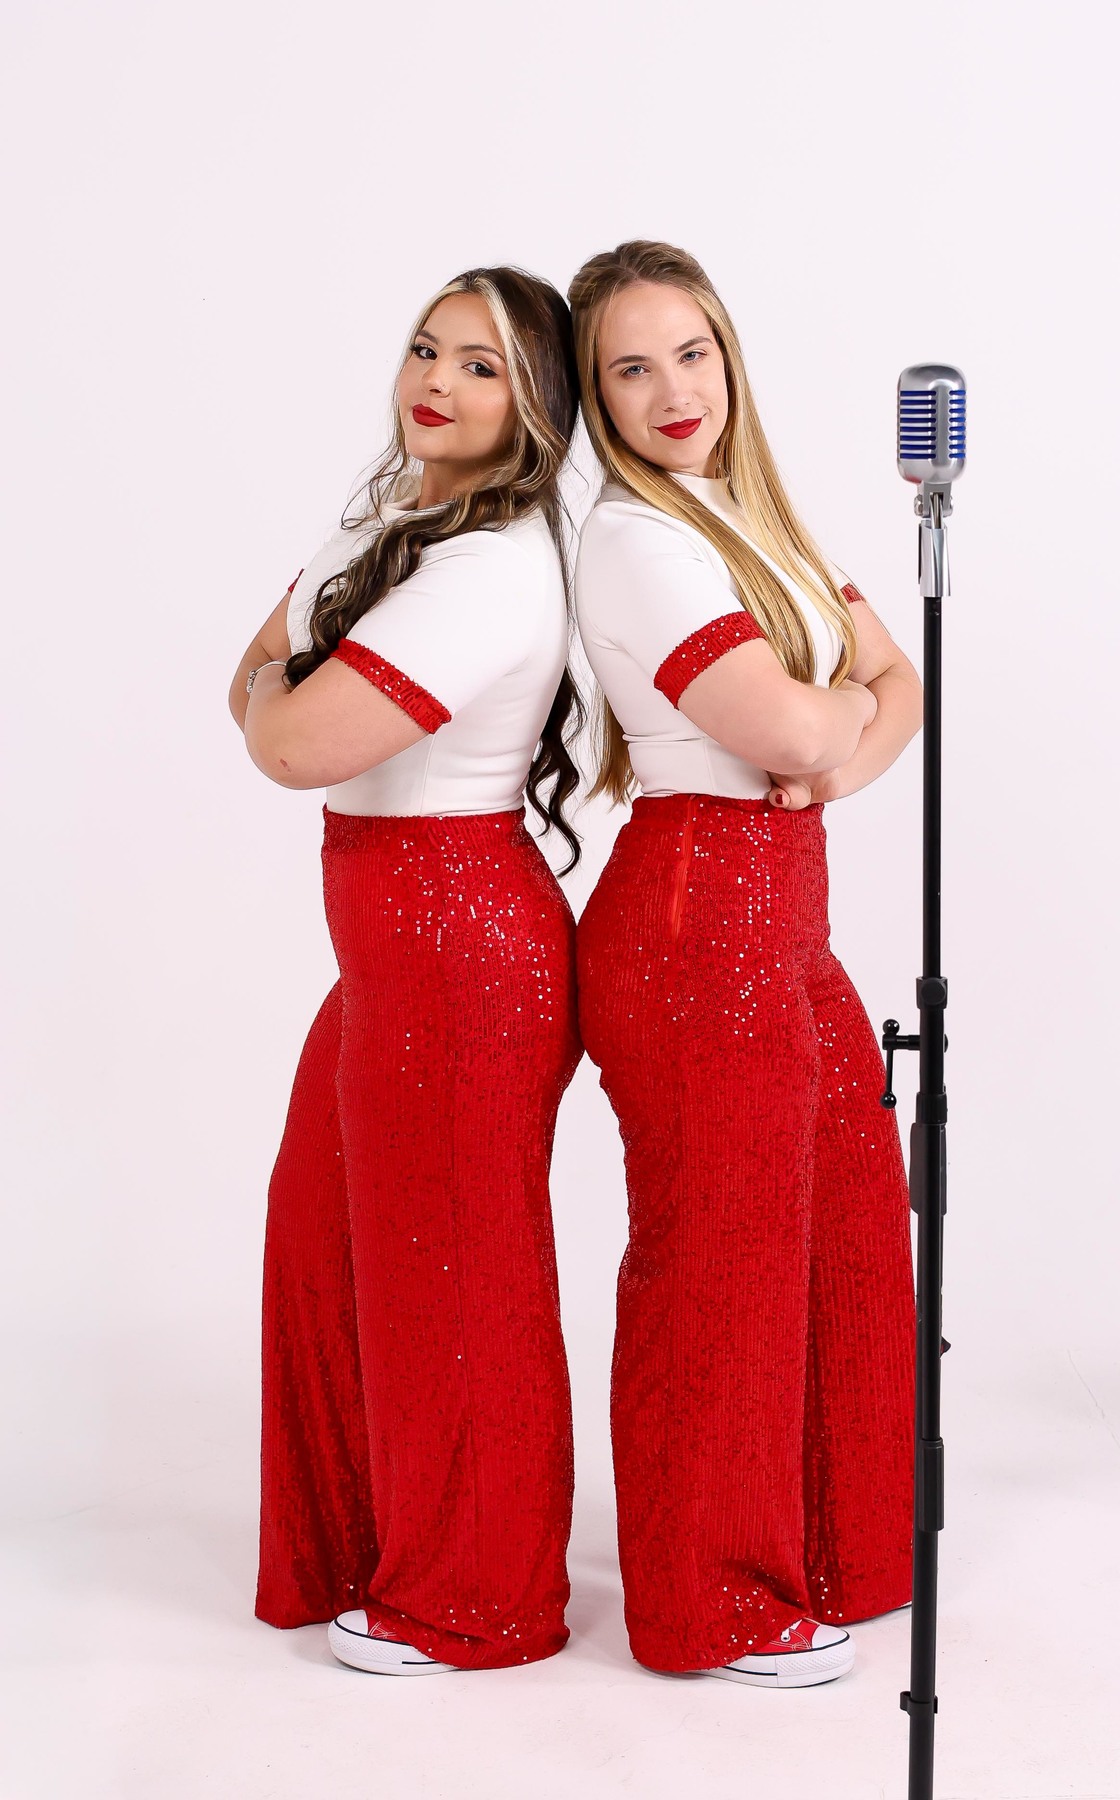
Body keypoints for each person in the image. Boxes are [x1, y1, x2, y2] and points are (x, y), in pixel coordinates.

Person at [567, 240, 922, 1689]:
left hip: (784, 908)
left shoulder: (749, 512)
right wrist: (824, 732)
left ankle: (827, 1548)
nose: (673, 390)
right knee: (720, 1260)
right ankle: (707, 1602)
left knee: (843, 1223)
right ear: (594, 394)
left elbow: (898, 684)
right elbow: (792, 724)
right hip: (692, 922)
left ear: (728, 354)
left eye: (692, 352)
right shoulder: (635, 540)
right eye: (631, 368)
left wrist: (831, 750)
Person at [228, 266, 585, 1676]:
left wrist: (283, 693)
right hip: (389, 951)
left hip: (456, 948)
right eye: (427, 348)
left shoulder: (490, 566)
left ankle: (481, 1597)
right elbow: (254, 677)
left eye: (484, 366)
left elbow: (289, 737)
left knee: (455, 1269)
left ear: (535, 406)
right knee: (324, 1243)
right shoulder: (393, 523)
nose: (437, 380)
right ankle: (364, 1545)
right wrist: (281, 691)